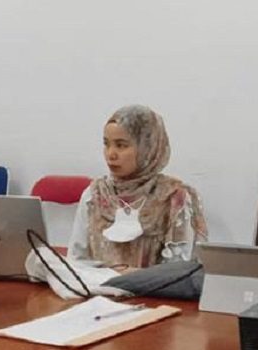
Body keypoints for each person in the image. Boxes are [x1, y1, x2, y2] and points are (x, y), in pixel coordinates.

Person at [68, 104, 208, 269]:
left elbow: (178, 271)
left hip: (155, 286)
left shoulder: (174, 198)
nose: (111, 154)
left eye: (121, 145)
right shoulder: (95, 194)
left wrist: (129, 276)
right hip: (96, 284)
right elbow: (76, 260)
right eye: (106, 144)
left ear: (147, 148)